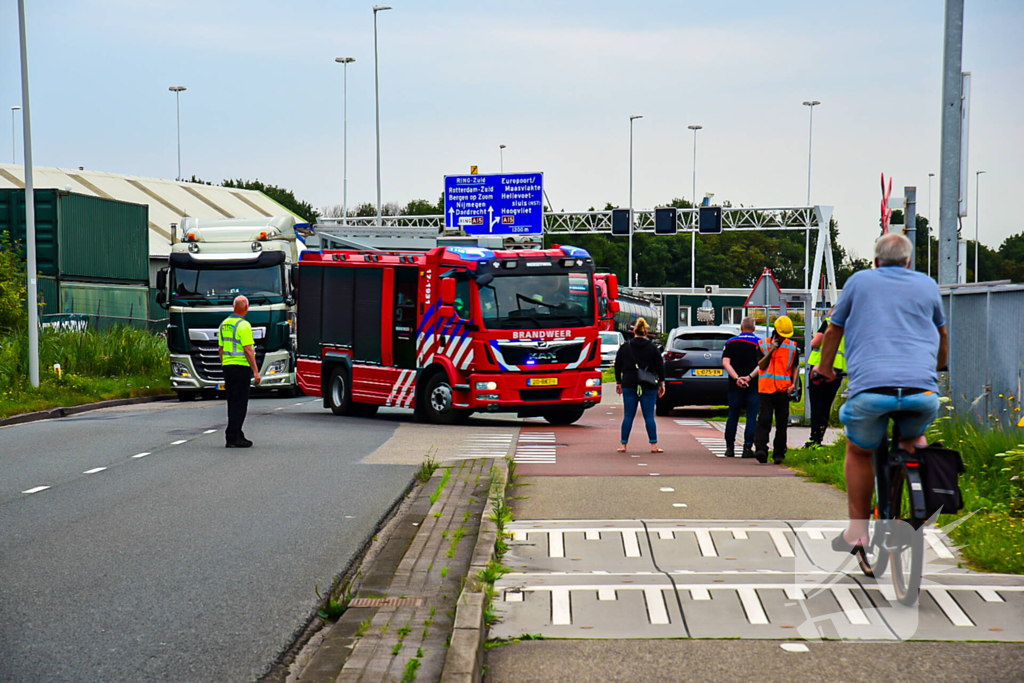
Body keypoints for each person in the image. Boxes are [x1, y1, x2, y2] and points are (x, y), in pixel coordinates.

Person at [817, 232, 948, 553]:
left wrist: (825, 368)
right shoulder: (927, 285)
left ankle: (857, 533)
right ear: (909, 262)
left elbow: (834, 329)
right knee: (914, 439)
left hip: (871, 391)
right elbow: (942, 334)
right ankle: (921, 497)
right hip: (922, 392)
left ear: (876, 262)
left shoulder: (859, 282)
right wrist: (940, 367)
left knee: (860, 451)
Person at [753, 315, 800, 464]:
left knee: (782, 422)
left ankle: (779, 452)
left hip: (783, 390)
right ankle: (761, 449)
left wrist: (794, 385)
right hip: (766, 389)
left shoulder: (792, 347)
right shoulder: (762, 345)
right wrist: (771, 350)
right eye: (781, 335)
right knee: (764, 419)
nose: (783, 338)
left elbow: (794, 367)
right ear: (775, 332)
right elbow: (761, 365)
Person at [614, 318, 666, 453]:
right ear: (646, 331)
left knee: (628, 415)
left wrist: (618, 382)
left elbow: (618, 365)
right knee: (649, 415)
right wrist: (662, 382)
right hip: (648, 383)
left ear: (634, 331)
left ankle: (623, 445)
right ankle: (654, 445)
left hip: (629, 382)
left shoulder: (625, 347)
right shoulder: (652, 347)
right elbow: (660, 365)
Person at [219, 295, 261, 448]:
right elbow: (248, 349)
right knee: (241, 403)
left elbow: (221, 348)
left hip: (228, 367)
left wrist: (223, 364)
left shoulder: (224, 324)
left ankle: (236, 433)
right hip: (241, 368)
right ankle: (233, 436)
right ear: (246, 308)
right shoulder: (244, 325)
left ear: (233, 306)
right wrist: (256, 372)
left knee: (232, 402)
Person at [805, 306, 847, 448]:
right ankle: (819, 438)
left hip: (820, 368)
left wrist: (809, 344)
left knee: (817, 404)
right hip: (838, 370)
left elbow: (816, 342)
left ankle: (814, 439)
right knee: (826, 406)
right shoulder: (848, 329)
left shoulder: (828, 323)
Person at [721, 317, 761, 458]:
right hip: (753, 385)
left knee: (733, 415)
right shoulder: (759, 343)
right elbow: (761, 365)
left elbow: (726, 363)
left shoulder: (730, 342)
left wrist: (737, 378)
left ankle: (729, 447)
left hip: (735, 385)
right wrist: (749, 377)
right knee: (751, 416)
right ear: (754, 329)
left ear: (741, 327)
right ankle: (747, 448)